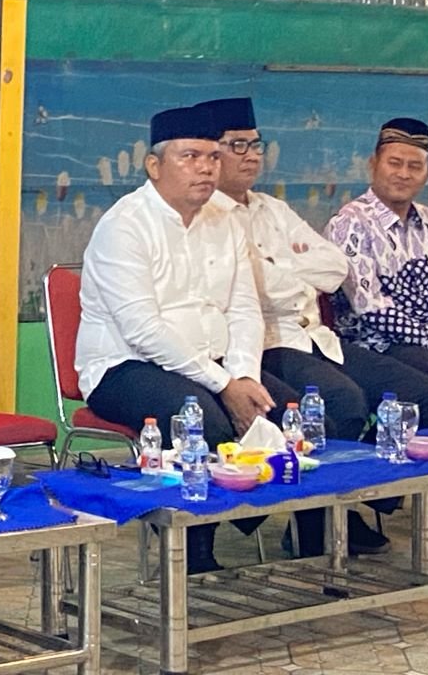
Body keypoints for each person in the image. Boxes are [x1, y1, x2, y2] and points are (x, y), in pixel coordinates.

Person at [77, 103, 300, 572]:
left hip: (213, 365)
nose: (205, 168)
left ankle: (315, 550)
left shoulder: (225, 219)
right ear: (154, 166)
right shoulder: (125, 225)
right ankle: (193, 555)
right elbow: (143, 330)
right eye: (190, 157)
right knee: (203, 420)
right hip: (123, 368)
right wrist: (223, 386)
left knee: (286, 412)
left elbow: (244, 308)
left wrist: (243, 376)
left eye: (212, 158)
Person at [205, 96, 426, 555]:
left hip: (317, 339)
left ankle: (345, 508)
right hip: (264, 343)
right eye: (237, 145)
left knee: (413, 392)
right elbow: (254, 291)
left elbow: (334, 268)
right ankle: (317, 522)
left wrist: (272, 263)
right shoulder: (206, 216)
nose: (250, 155)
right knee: (342, 401)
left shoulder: (272, 209)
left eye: (256, 144)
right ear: (211, 153)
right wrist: (286, 268)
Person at [327, 118, 428, 387]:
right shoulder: (350, 222)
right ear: (373, 164)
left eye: (414, 166)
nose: (404, 174)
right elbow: (371, 309)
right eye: (394, 163)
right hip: (376, 345)